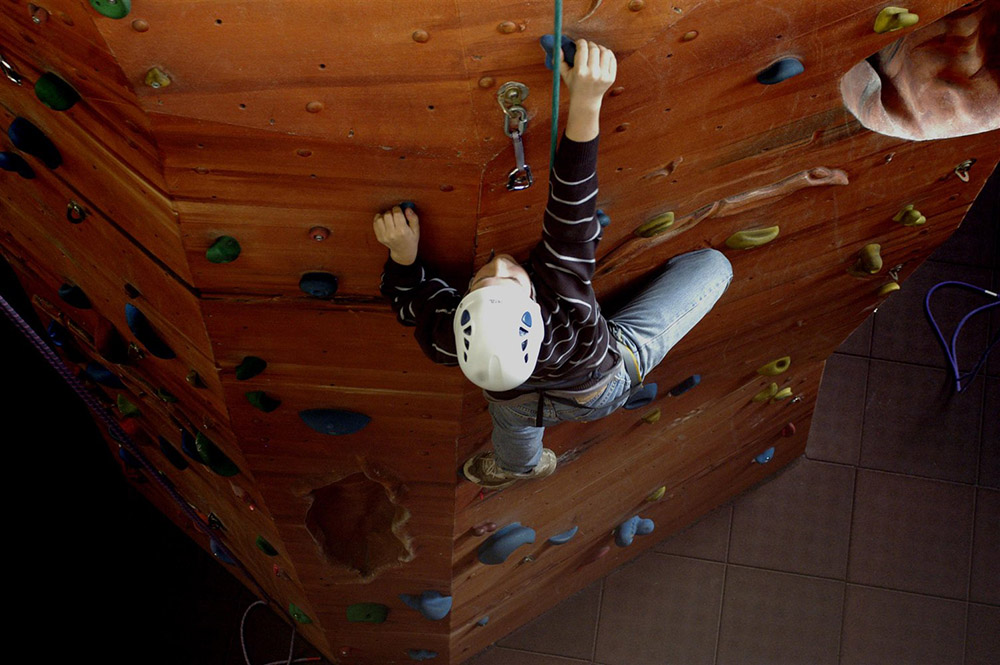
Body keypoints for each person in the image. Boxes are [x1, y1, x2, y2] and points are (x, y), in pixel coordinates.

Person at [374, 39, 733, 490]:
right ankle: (516, 461)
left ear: (461, 307)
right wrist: (586, 100)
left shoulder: (446, 338)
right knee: (716, 265)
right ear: (534, 301)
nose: (500, 264)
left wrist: (404, 255)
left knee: (514, 426)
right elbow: (571, 204)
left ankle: (519, 466)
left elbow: (410, 302)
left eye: (482, 280)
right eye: (510, 279)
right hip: (596, 388)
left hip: (517, 403)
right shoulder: (563, 303)